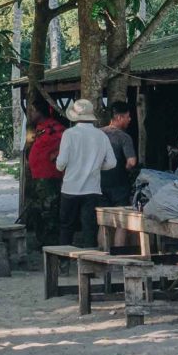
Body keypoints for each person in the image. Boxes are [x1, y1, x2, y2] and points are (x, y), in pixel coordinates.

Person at [55, 99, 117, 249]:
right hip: (92, 189)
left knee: (66, 226)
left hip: (70, 188)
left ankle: (64, 263)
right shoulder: (101, 135)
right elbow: (112, 162)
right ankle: (90, 265)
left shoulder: (69, 134)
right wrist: (96, 167)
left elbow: (61, 163)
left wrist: (63, 166)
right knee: (89, 228)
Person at [24, 98, 66, 245]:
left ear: (39, 112)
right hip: (37, 177)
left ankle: (52, 243)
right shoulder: (39, 128)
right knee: (37, 210)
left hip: (49, 176)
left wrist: (57, 154)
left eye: (32, 111)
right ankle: (42, 241)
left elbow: (67, 145)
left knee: (49, 210)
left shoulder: (56, 127)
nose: (30, 114)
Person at [101, 98, 138, 207]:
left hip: (99, 185)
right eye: (127, 117)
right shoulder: (124, 137)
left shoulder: (98, 133)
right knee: (119, 219)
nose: (130, 119)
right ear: (119, 117)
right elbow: (132, 162)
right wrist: (127, 168)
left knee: (102, 219)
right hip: (119, 187)